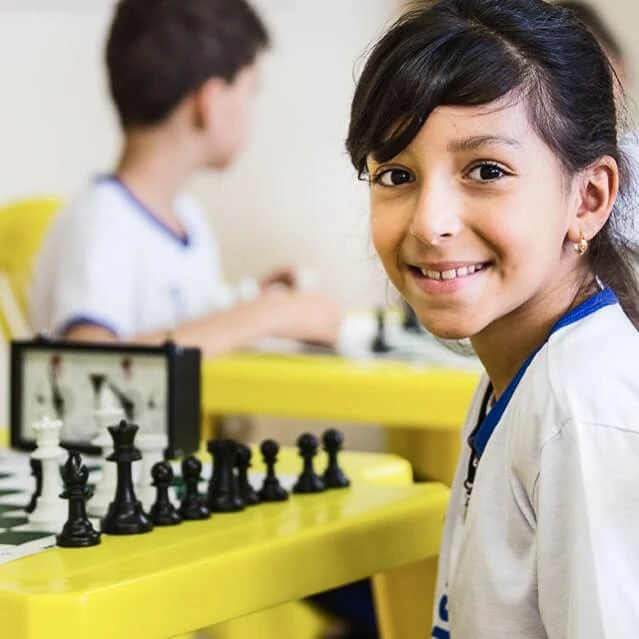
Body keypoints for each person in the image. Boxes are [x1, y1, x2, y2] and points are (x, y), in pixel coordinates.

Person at [346, 0, 639, 636]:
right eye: (396, 174)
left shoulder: (581, 406)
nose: (430, 222)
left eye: (486, 171)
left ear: (587, 199)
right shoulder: (514, 373)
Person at [30, 0, 341, 357]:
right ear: (209, 101)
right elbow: (90, 366)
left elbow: (185, 327)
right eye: (249, 92)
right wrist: (262, 316)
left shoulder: (187, 217)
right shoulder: (100, 222)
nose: (250, 112)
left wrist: (249, 300)